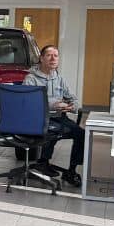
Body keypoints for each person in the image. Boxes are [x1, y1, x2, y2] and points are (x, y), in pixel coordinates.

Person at [23, 44, 83, 186]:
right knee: (53, 129)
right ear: (41, 58)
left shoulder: (59, 78)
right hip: (38, 119)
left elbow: (74, 99)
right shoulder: (31, 79)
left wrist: (71, 106)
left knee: (82, 134)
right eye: (49, 55)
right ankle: (43, 162)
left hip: (59, 118)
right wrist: (55, 104)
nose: (53, 58)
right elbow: (29, 103)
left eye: (56, 56)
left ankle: (71, 171)